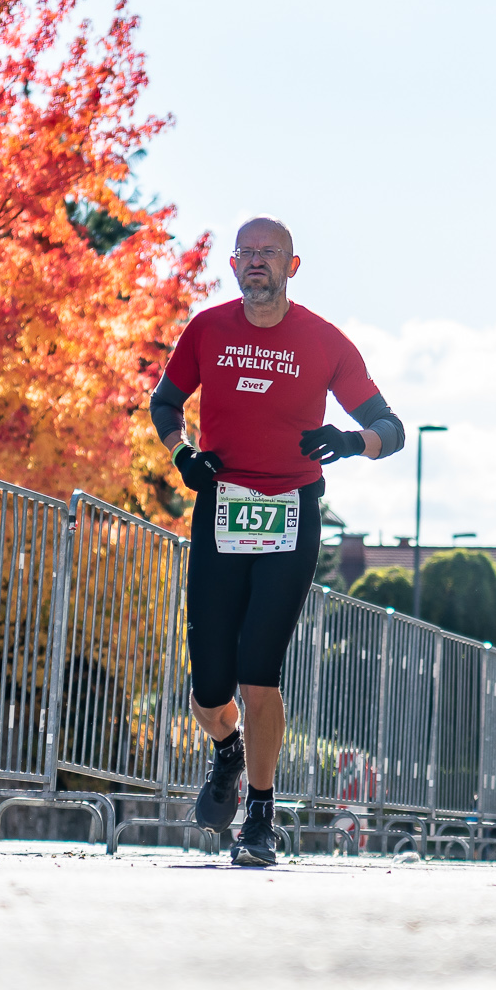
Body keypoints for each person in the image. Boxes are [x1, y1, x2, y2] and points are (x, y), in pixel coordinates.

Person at [151, 216, 405, 868]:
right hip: (221, 509)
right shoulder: (207, 329)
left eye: (271, 253)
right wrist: (183, 455)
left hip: (291, 515)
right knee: (209, 690)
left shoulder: (324, 341)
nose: (257, 261)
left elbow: (391, 427)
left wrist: (351, 440)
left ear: (293, 266)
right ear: (234, 265)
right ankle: (228, 748)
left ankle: (260, 817)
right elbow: (164, 402)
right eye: (247, 253)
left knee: (259, 670)